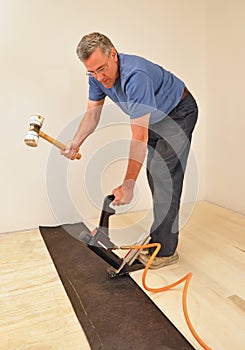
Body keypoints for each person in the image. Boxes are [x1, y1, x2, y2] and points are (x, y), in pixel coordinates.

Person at [62, 32, 198, 269]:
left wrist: (127, 183)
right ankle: (160, 238)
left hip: (179, 112)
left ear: (113, 54)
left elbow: (139, 136)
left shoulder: (135, 76)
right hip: (155, 117)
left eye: (102, 69)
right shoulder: (96, 76)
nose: (99, 77)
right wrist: (76, 141)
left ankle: (165, 251)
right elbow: (92, 115)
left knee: (163, 173)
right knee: (154, 174)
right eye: (92, 71)